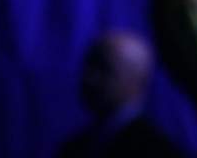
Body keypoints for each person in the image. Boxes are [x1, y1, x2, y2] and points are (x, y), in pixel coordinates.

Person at [57, 29, 185, 158]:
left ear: (135, 79)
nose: (89, 78)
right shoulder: (76, 147)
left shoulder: (155, 151)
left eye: (104, 69)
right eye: (89, 66)